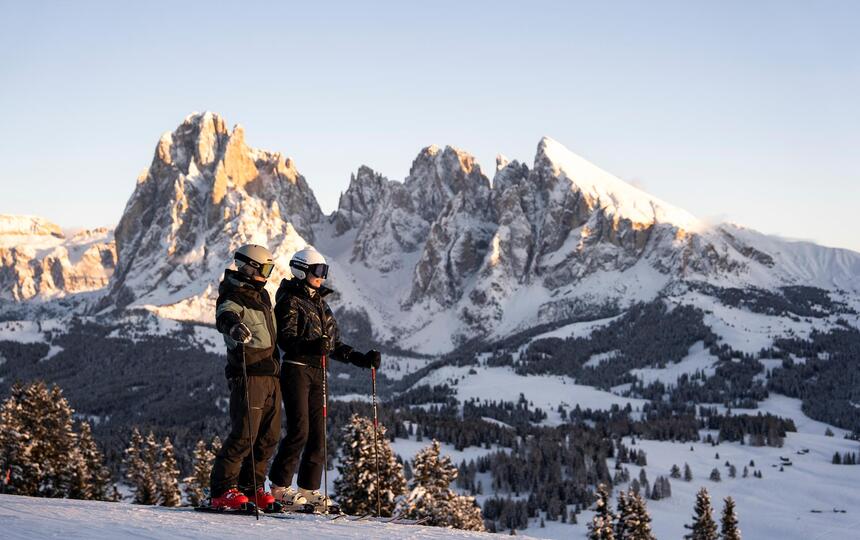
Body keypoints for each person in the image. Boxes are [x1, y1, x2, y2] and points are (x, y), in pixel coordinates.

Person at [268, 247, 381, 511]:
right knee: (300, 429)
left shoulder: (320, 303)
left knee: (318, 434)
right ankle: (280, 488)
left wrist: (360, 359)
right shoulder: (289, 299)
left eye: (324, 271)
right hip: (296, 368)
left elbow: (332, 344)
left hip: (318, 371)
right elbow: (286, 339)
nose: (322, 277)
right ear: (301, 270)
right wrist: (311, 346)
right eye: (318, 271)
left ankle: (308, 490)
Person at [208, 244, 280, 510]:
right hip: (248, 373)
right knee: (245, 434)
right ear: (249, 267)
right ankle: (222, 490)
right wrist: (234, 326)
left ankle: (251, 487)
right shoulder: (232, 293)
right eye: (265, 269)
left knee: (268, 436)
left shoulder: (262, 295)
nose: (268, 275)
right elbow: (223, 315)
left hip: (271, 373)